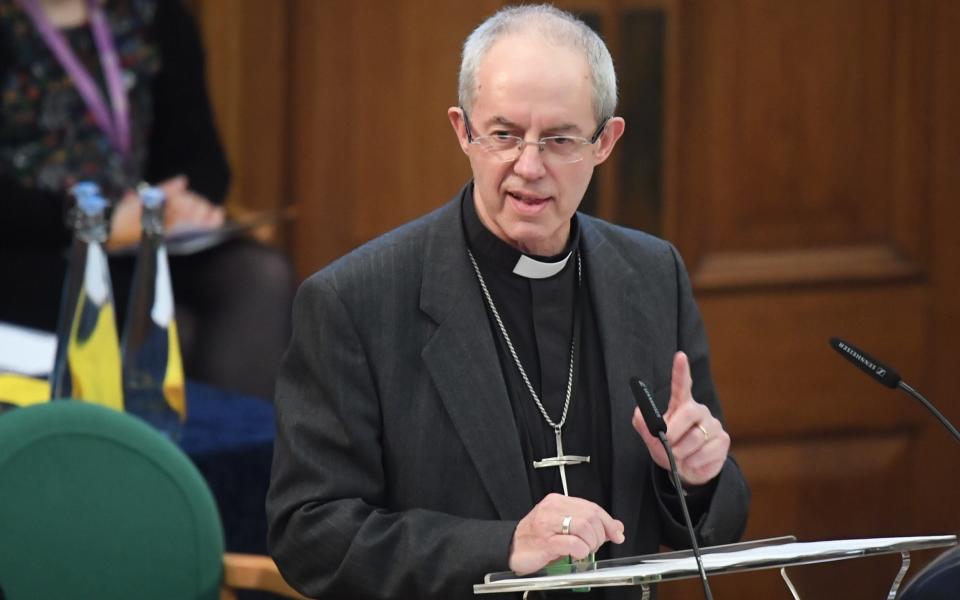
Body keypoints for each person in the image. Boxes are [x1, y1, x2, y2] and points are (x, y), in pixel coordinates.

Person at [267, 4, 750, 599]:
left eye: (559, 140)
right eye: (503, 135)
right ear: (462, 130)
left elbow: (718, 518)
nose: (528, 166)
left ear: (605, 142)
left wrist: (696, 478)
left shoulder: (652, 275)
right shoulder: (355, 301)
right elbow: (308, 534)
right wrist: (501, 547)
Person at [0, 0, 293, 400]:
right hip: (35, 247)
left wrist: (178, 203)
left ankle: (242, 458)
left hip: (139, 236)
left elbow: (204, 161)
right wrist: (98, 223)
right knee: (173, 330)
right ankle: (167, 459)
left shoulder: (154, 19)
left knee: (260, 276)